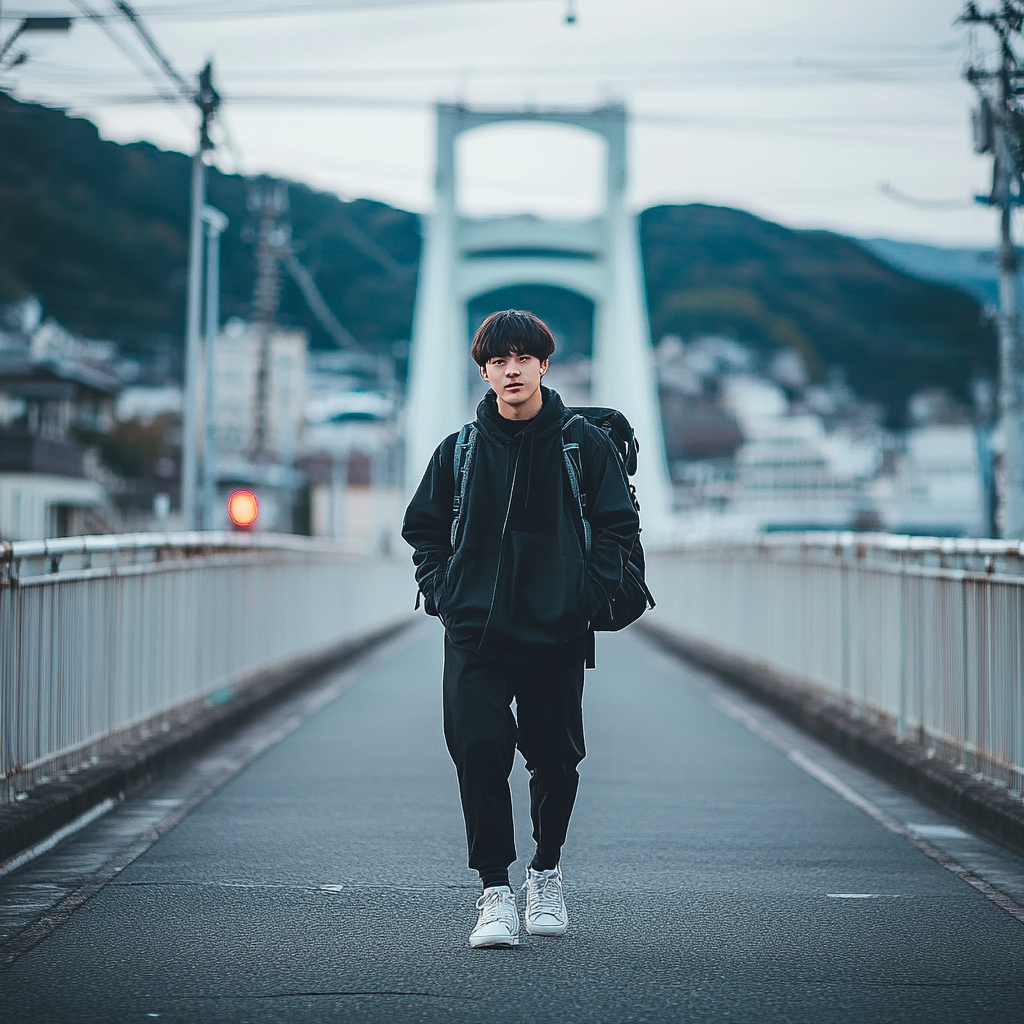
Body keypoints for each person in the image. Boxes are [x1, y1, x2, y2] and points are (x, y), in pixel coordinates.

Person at [402, 309, 640, 948]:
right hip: (476, 630)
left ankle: (546, 873)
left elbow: (618, 525)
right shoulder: (460, 449)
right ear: (483, 370)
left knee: (556, 759)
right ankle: (494, 893)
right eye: (499, 359)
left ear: (542, 365)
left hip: (557, 630)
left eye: (524, 358)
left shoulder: (580, 445)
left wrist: (585, 596)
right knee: (477, 750)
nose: (512, 369)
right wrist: (443, 591)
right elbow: (422, 529)